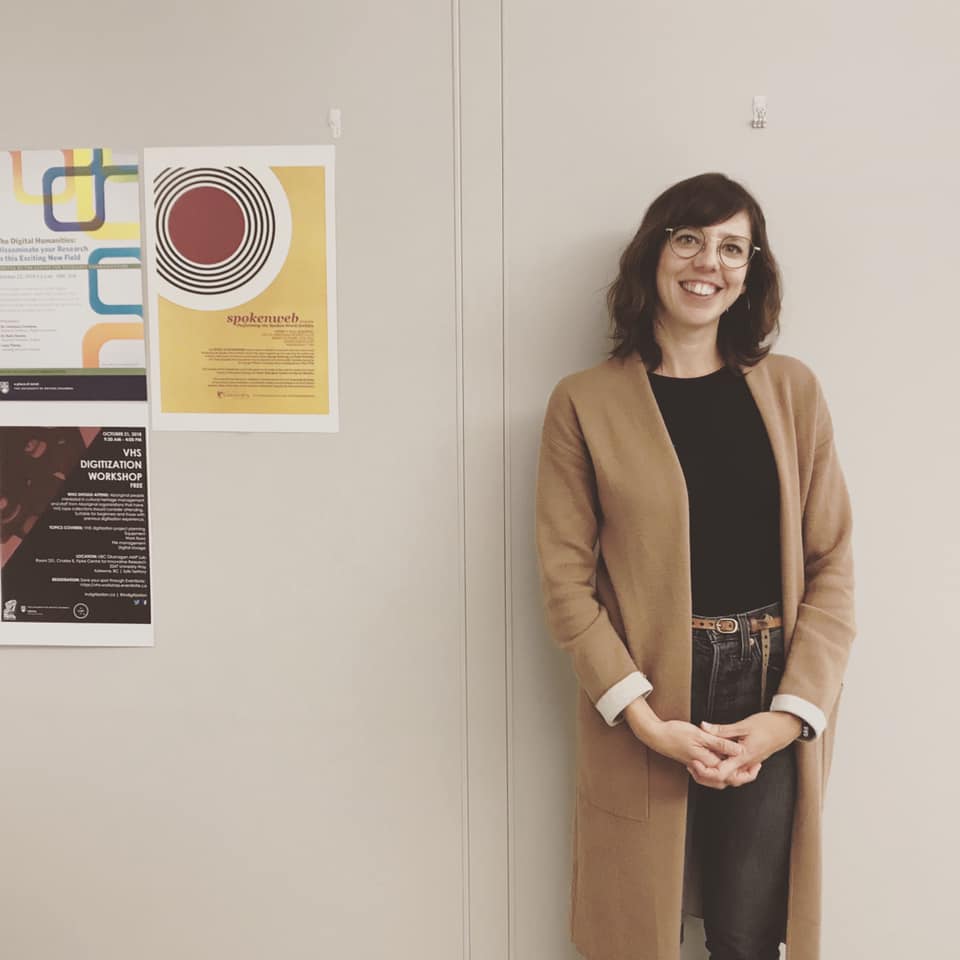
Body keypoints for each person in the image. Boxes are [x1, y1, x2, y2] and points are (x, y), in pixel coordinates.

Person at [534, 172, 855, 960]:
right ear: (654, 254)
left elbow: (833, 567)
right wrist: (648, 721)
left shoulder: (791, 391)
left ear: (751, 273)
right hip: (651, 687)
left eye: (732, 247)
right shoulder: (584, 403)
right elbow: (566, 585)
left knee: (748, 936)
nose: (708, 261)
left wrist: (787, 718)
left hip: (769, 686)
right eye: (690, 239)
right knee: (637, 933)